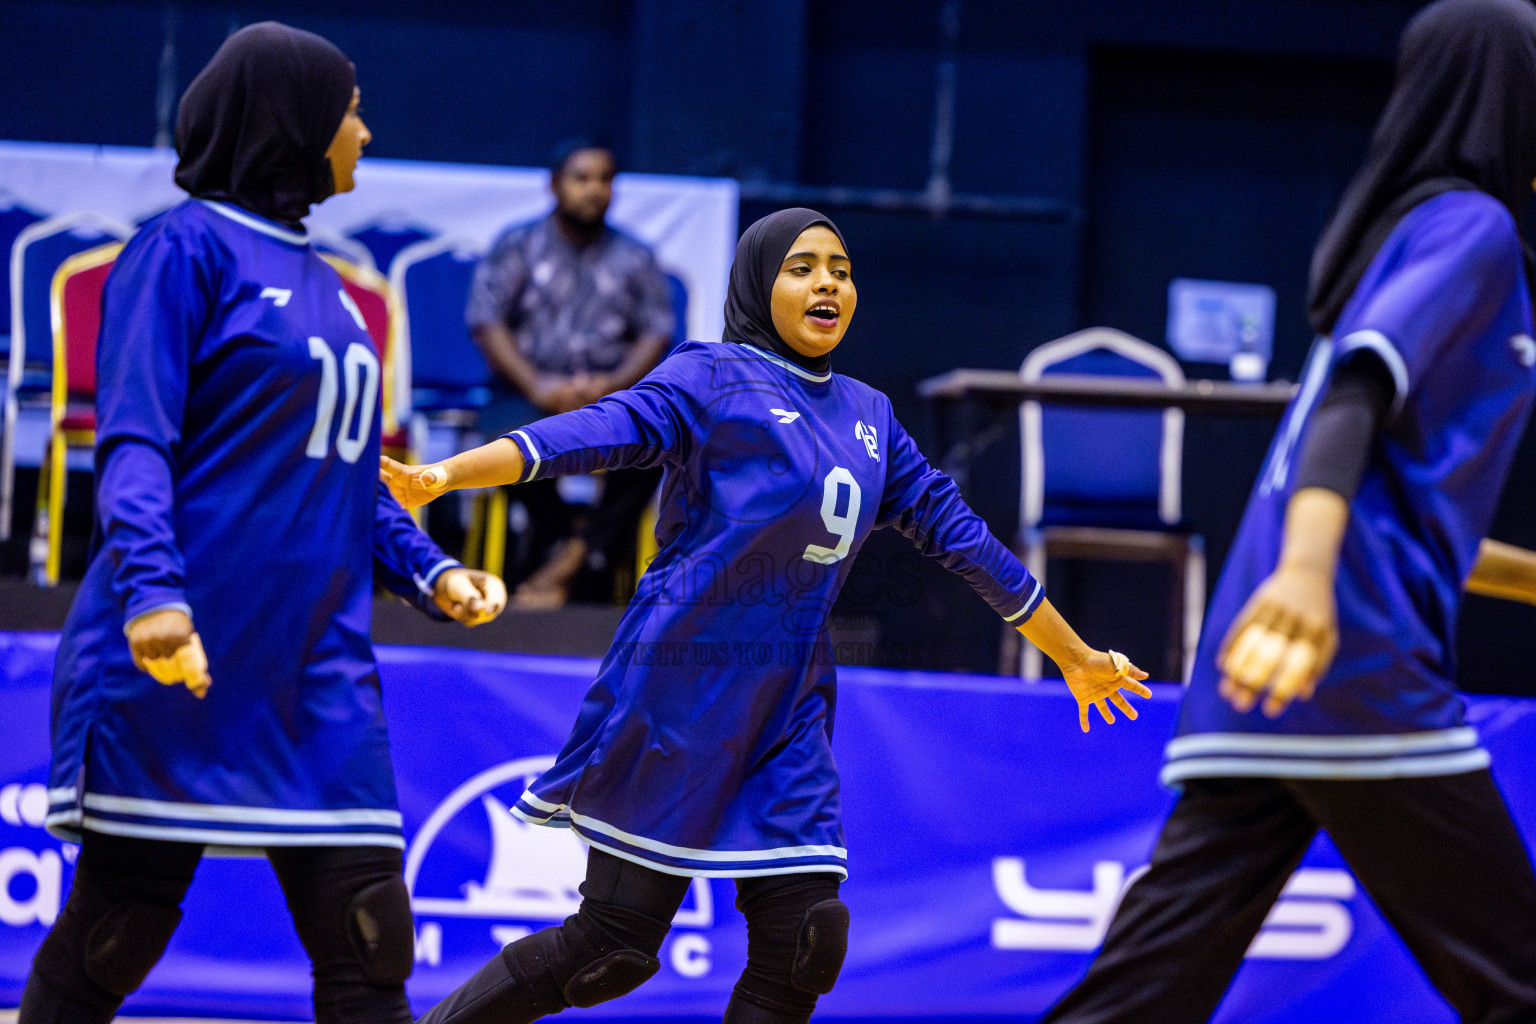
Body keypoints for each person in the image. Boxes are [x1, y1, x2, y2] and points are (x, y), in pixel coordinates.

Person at [383, 207, 1154, 1024]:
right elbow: (593, 432)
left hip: (789, 703)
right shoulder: (710, 376)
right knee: (613, 946)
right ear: (758, 283)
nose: (829, 282)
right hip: (678, 688)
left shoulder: (870, 415)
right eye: (803, 266)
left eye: (842, 268)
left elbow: (969, 543)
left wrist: (1073, 655)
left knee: (806, 940)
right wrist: (445, 476)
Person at [1042, 2, 1536, 1021]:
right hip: (1352, 662)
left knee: (1134, 1003)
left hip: (1258, 676)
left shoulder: (1403, 241)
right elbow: (1355, 398)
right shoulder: (1470, 229)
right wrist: (1306, 577)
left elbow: (1395, 504)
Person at [19, 23, 506, 1024]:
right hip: (186, 653)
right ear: (294, 122)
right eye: (351, 108)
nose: (365, 132)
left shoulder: (334, 286)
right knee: (119, 926)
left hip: (315, 670)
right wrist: (154, 592)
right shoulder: (179, 249)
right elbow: (137, 441)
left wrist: (430, 570)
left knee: (372, 938)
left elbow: (343, 470)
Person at [466, 140, 677, 608]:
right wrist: (538, 385)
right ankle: (570, 545)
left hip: (613, 395)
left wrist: (612, 384)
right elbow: (487, 321)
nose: (593, 190)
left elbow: (657, 333)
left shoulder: (635, 256)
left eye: (604, 180)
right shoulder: (518, 245)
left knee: (655, 448)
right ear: (555, 185)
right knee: (505, 444)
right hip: (528, 391)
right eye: (581, 178)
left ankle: (567, 560)